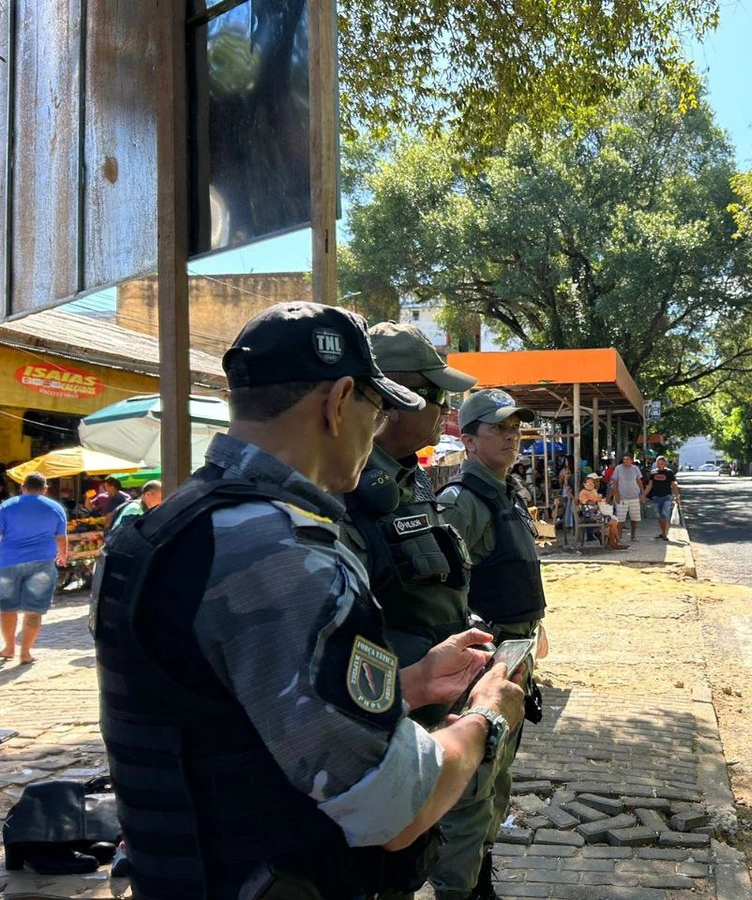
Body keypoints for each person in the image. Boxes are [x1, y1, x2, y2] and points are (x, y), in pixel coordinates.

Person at [91, 302, 525, 900]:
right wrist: (488, 719)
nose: (376, 432)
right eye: (376, 410)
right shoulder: (284, 549)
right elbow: (396, 805)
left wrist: (414, 682)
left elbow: (235, 713)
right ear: (339, 400)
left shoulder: (156, 529)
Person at [342, 322, 514, 900]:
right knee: (403, 828)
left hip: (439, 676)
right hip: (396, 692)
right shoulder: (347, 489)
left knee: (464, 803)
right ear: (393, 397)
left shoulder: (408, 481)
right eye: (436, 395)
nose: (445, 409)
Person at [437, 389, 548, 897]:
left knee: (499, 780)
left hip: (515, 658)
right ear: (468, 438)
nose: (511, 436)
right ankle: (459, 889)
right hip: (485, 665)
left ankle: (479, 876)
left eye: (516, 428)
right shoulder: (460, 503)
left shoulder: (509, 494)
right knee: (472, 790)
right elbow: (441, 593)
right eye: (499, 428)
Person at [0, 473, 67, 664]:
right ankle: (25, 653)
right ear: (45, 489)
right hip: (42, 564)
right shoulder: (55, 507)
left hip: (8, 563)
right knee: (34, 610)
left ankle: (9, 647)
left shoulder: (6, 506)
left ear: (23, 487)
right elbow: (61, 537)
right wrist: (62, 555)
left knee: (7, 608)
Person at [642, 455, 681, 541]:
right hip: (656, 496)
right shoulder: (653, 473)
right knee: (659, 516)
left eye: (662, 463)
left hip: (666, 496)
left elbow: (673, 484)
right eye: (658, 463)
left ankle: (665, 534)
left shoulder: (669, 473)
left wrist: (676, 496)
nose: (660, 465)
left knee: (665, 514)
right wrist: (643, 495)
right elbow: (650, 485)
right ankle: (663, 531)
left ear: (665, 464)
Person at [610, 452, 644, 542]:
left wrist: (642, 493)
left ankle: (633, 536)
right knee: (620, 519)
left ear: (632, 460)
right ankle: (619, 537)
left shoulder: (635, 468)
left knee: (635, 518)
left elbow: (639, 481)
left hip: (634, 497)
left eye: (628, 459)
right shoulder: (618, 468)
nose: (626, 461)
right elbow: (615, 482)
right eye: (624, 459)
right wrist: (616, 494)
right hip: (622, 497)